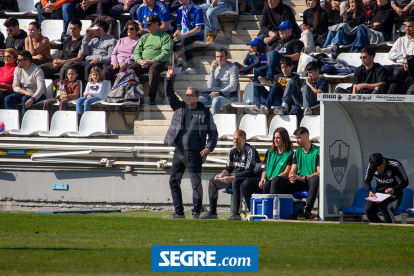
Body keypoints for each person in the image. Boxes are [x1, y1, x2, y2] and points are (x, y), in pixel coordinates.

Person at [164, 66, 218, 219]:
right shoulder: (179, 107)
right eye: (186, 95)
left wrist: (208, 148)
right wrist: (169, 79)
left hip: (195, 153)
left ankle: (195, 212)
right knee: (174, 181)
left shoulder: (205, 113)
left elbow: (213, 133)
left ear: (197, 97)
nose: (187, 97)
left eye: (190, 95)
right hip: (179, 152)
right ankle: (179, 212)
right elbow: (169, 94)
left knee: (195, 184)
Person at [201, 130, 262, 220]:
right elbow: (229, 168)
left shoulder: (250, 151)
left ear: (244, 140)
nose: (235, 141)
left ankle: (236, 214)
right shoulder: (232, 150)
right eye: (233, 139)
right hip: (237, 178)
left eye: (238, 139)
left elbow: (249, 171)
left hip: (251, 179)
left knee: (236, 181)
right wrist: (222, 174)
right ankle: (212, 212)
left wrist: (232, 177)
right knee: (213, 181)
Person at [270, 127, 319, 219]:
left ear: (307, 137)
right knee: (276, 180)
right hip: (299, 181)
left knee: (316, 178)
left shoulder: (318, 151)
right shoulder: (297, 152)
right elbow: (293, 169)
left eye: (299, 138)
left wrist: (304, 178)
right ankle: (276, 211)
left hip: (309, 181)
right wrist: (292, 176)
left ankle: (308, 211)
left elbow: (319, 172)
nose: (297, 141)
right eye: (296, 138)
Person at [242, 127, 294, 212]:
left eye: (278, 138)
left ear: (284, 139)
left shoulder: (290, 153)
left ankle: (267, 211)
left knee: (268, 184)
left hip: (278, 182)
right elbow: (265, 169)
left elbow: (286, 172)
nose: (275, 140)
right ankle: (252, 211)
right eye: (274, 138)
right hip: (267, 179)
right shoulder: (270, 152)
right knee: (246, 183)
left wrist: (271, 179)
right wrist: (263, 179)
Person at [127, 14, 173, 105]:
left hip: (159, 63)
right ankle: (133, 95)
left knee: (153, 69)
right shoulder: (144, 37)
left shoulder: (165, 37)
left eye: (149, 24)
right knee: (129, 70)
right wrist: (140, 60)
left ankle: (152, 97)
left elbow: (166, 53)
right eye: (146, 25)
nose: (146, 27)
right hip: (143, 62)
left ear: (156, 24)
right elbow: (136, 52)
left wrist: (152, 61)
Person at [364, 153, 409, 223]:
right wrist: (369, 191)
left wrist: (394, 190)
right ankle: (379, 229)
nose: (379, 171)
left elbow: (405, 182)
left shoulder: (395, 165)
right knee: (368, 209)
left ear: (383, 161)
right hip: (379, 196)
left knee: (384, 206)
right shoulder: (371, 165)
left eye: (380, 168)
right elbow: (367, 181)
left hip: (394, 195)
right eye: (376, 170)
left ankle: (391, 228)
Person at [198, 47, 239, 115]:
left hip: (228, 96)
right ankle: (201, 122)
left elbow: (233, 86)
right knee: (198, 100)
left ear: (227, 57)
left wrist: (220, 92)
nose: (219, 59)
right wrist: (213, 70)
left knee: (216, 100)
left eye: (221, 56)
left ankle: (212, 123)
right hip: (214, 95)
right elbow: (210, 86)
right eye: (217, 57)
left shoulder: (233, 67)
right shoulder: (216, 68)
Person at [5, 51, 46, 115]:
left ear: (27, 61)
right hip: (26, 93)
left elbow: (41, 89)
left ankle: (24, 122)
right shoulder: (17, 69)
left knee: (25, 99)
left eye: (19, 60)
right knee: (8, 99)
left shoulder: (37, 71)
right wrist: (26, 92)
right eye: (17, 60)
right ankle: (13, 120)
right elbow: (15, 87)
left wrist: (32, 98)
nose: (17, 61)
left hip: (39, 95)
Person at [173, 0, 205, 73]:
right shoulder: (179, 10)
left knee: (185, 39)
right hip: (183, 33)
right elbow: (178, 27)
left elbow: (198, 29)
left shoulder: (197, 9)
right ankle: (176, 64)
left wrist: (183, 35)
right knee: (169, 38)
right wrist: (177, 32)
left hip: (196, 34)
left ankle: (191, 67)